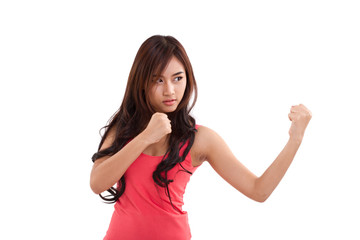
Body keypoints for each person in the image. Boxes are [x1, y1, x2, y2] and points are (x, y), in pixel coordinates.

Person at [90, 35, 312, 240]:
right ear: (141, 82)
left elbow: (258, 190)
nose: (170, 90)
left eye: (177, 78)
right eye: (158, 80)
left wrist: (295, 139)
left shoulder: (199, 138)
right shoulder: (123, 128)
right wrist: (145, 137)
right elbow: (97, 183)